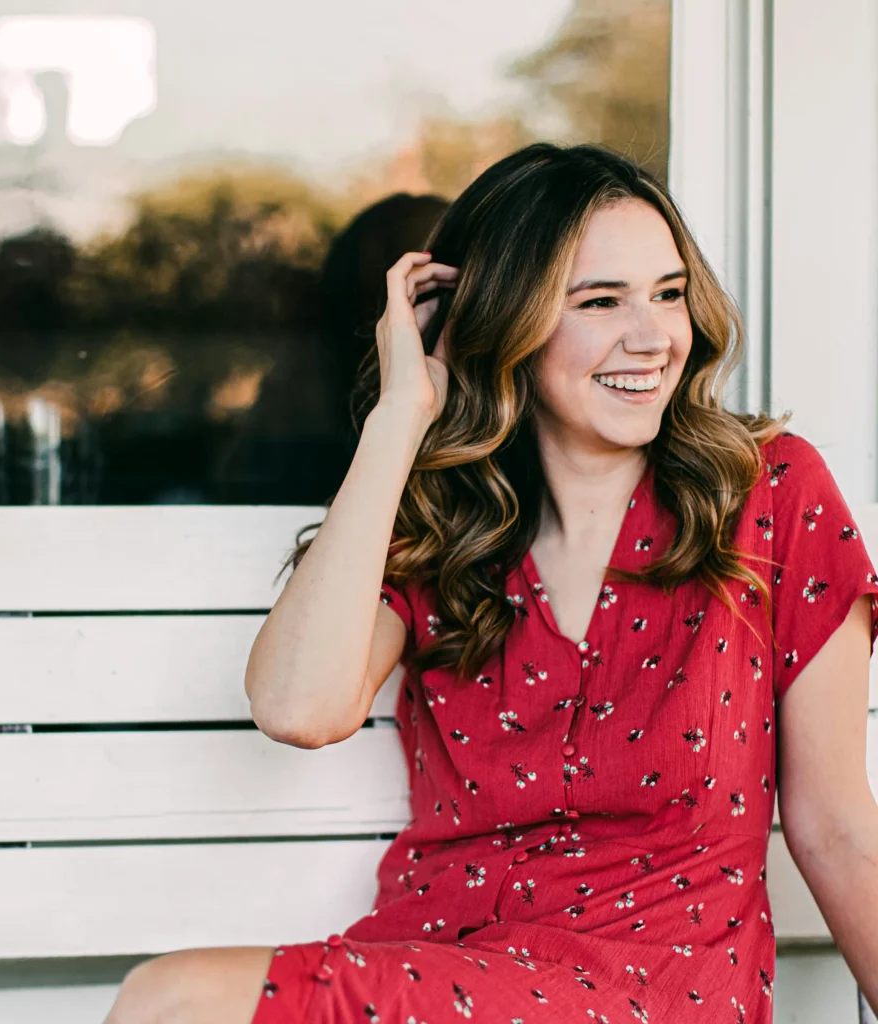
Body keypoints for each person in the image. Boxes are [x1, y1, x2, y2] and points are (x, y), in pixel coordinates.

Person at [103, 143, 878, 1024]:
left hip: (658, 991)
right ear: (508, 322)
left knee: (174, 1002)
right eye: (598, 302)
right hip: (438, 963)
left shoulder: (769, 492)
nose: (652, 335)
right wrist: (403, 415)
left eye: (668, 294)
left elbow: (837, 828)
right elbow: (297, 706)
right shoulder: (447, 522)